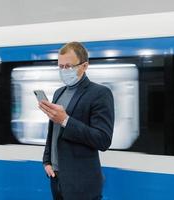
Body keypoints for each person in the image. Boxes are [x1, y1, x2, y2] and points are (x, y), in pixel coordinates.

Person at [39, 42, 114, 200]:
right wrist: (46, 161)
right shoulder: (59, 93)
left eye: (68, 66)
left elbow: (103, 140)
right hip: (56, 179)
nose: (64, 71)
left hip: (82, 183)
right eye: (60, 67)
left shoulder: (100, 93)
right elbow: (53, 132)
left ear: (85, 66)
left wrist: (66, 120)